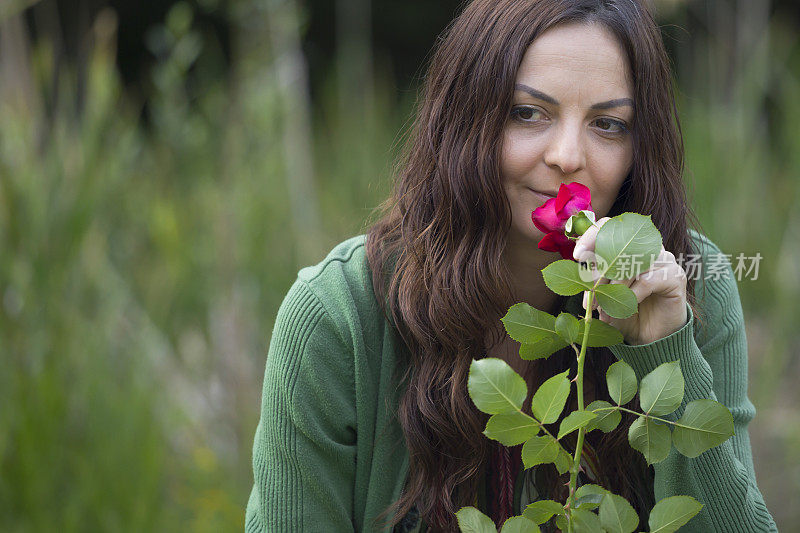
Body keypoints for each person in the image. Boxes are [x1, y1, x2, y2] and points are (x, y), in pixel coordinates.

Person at [245, 0, 778, 531]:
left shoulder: (685, 282)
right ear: (463, 119)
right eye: (528, 113)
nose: (568, 156)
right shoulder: (339, 317)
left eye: (610, 124)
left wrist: (666, 350)